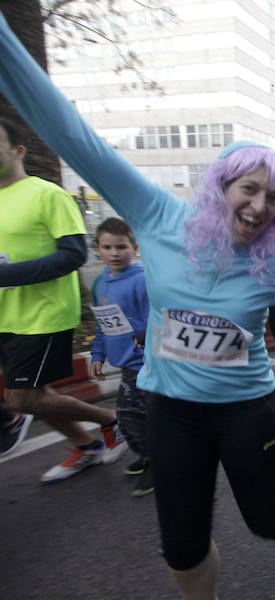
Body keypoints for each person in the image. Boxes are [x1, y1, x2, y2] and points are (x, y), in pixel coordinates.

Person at [0, 17, 275, 599]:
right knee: (181, 541)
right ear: (222, 186)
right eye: (248, 188)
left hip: (247, 412)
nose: (258, 205)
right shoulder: (157, 216)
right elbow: (73, 134)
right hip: (171, 410)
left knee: (266, 520)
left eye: (273, 198)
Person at [0, 115, 128, 481]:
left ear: (18, 150)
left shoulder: (47, 194)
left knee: (22, 398)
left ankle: (111, 420)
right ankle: (86, 446)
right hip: (4, 314)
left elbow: (72, 255)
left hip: (41, 315)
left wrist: (4, 275)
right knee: (29, 393)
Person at [89, 217, 154, 495]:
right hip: (124, 365)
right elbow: (101, 324)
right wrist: (97, 354)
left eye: (121, 246)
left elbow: (157, 321)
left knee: (141, 416)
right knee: (129, 418)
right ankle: (148, 455)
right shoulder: (99, 283)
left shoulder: (142, 280)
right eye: (107, 247)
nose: (114, 253)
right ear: (98, 249)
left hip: (146, 366)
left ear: (134, 247)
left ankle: (160, 465)